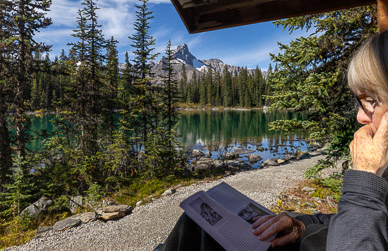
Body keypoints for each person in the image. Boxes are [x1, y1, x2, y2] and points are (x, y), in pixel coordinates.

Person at [159, 31, 388, 251]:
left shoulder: (371, 181)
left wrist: (364, 183)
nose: (360, 116)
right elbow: (355, 222)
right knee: (197, 221)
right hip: (313, 239)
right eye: (360, 102)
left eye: (369, 101)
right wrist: (301, 226)